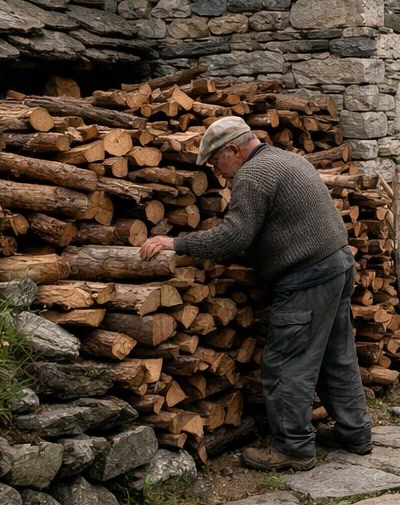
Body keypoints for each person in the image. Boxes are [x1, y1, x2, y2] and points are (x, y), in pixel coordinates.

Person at [139, 115, 372, 471]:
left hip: (306, 276)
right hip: (337, 264)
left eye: (217, 162)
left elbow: (234, 236)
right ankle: (355, 433)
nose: (219, 173)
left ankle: (293, 448)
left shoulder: (253, 174)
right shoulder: (287, 158)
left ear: (233, 149)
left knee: (285, 364)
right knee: (335, 356)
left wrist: (175, 242)